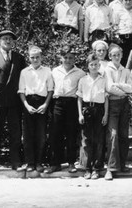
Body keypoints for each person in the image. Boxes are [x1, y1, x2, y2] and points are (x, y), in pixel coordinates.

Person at [0, 30, 25, 172]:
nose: (8, 41)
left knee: (15, 132)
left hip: (14, 100)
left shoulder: (18, 58)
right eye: (5, 39)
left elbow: (23, 77)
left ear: (13, 42)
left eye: (10, 39)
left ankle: (16, 162)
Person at [45, 46, 86, 174]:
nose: (68, 60)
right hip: (57, 103)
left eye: (71, 58)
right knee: (55, 134)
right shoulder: (54, 71)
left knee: (71, 134)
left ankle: (71, 163)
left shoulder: (80, 73)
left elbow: (81, 91)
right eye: (65, 57)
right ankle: (55, 163)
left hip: (72, 103)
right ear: (61, 58)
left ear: (75, 59)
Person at [18, 46, 54, 173]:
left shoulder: (47, 71)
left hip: (42, 103)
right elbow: (21, 91)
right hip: (28, 103)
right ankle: (30, 162)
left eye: (37, 57)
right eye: (32, 57)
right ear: (29, 58)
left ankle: (39, 162)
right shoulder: (24, 72)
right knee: (28, 135)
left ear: (41, 57)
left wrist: (45, 105)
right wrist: (26, 106)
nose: (35, 59)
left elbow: (50, 90)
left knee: (41, 135)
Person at [104, 44, 132, 180]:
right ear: (110, 56)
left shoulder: (126, 71)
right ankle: (110, 167)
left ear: (122, 55)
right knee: (113, 135)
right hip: (112, 104)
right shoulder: (107, 70)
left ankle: (122, 164)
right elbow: (109, 87)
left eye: (119, 54)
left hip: (124, 105)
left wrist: (120, 86)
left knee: (123, 134)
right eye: (114, 55)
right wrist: (124, 92)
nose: (116, 57)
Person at [77, 53, 109, 180]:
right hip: (86, 110)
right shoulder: (83, 80)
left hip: (99, 110)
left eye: (96, 64)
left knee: (99, 140)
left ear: (99, 65)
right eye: (91, 65)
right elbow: (79, 98)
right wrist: (80, 114)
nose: (94, 67)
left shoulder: (103, 80)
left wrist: (105, 114)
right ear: (88, 66)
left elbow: (106, 99)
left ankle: (97, 167)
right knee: (86, 140)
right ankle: (87, 168)